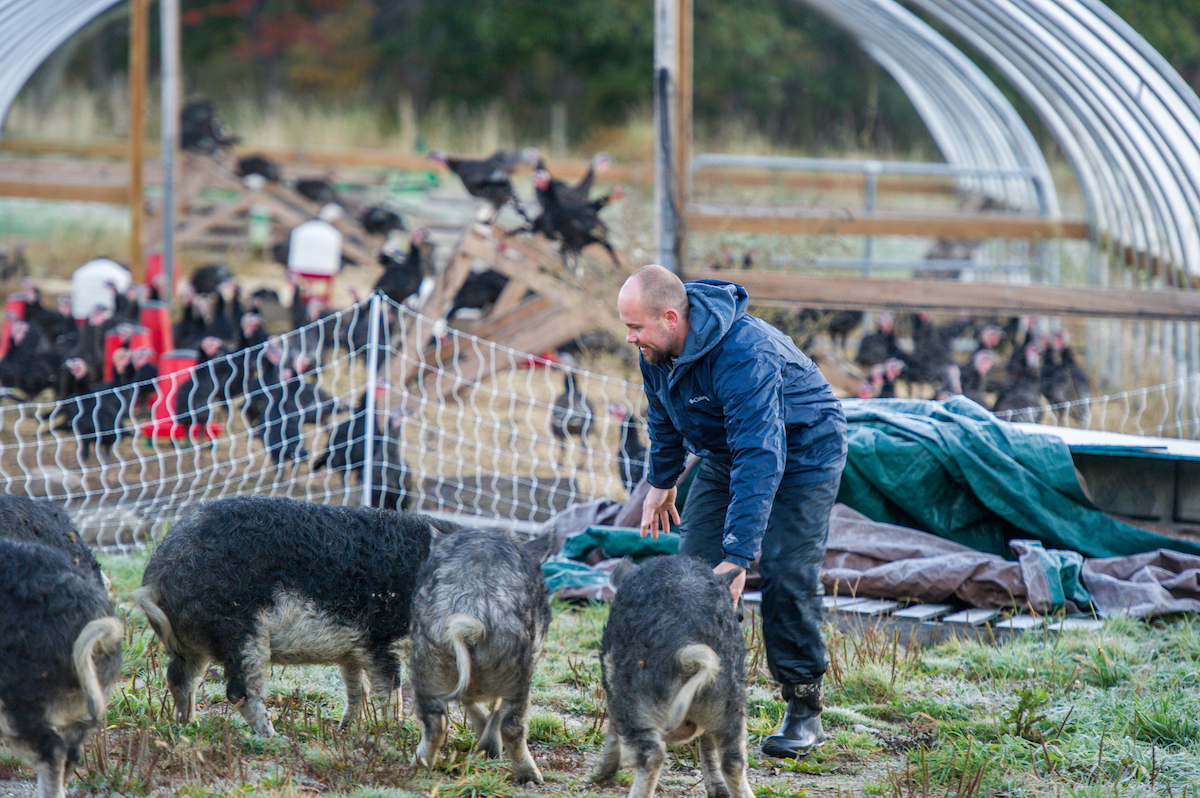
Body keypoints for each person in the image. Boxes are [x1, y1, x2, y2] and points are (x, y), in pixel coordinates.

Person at [616, 264, 847, 759]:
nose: (629, 336)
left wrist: (740, 555)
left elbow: (761, 457)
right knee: (694, 575)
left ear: (671, 317)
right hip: (728, 452)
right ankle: (701, 701)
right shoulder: (655, 350)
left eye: (635, 326)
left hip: (805, 451)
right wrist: (661, 480)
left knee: (785, 571)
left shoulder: (743, 353)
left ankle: (803, 707)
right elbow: (662, 414)